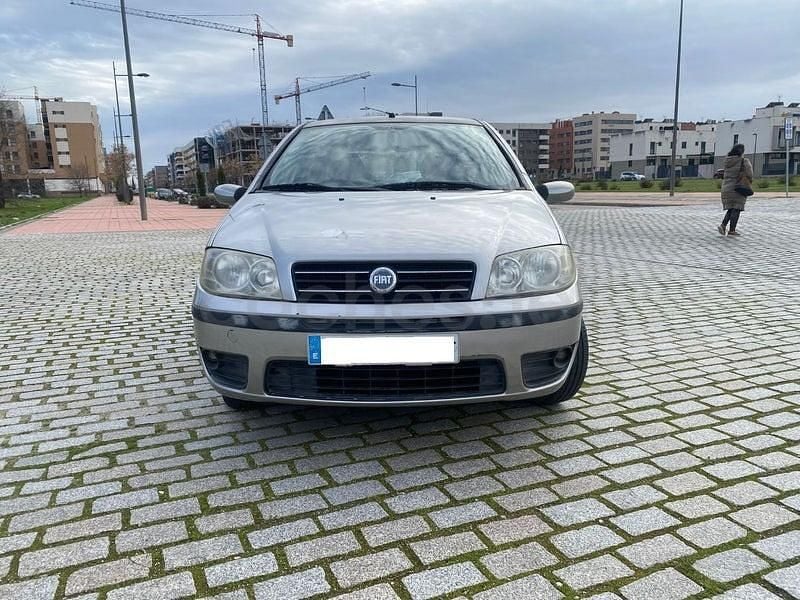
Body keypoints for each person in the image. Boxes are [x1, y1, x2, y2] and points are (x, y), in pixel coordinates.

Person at [718, 143, 753, 237]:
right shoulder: (743, 161)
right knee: (736, 208)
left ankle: (723, 225)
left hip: (726, 188)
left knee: (731, 208)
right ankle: (732, 230)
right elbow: (749, 173)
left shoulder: (727, 161)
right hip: (738, 187)